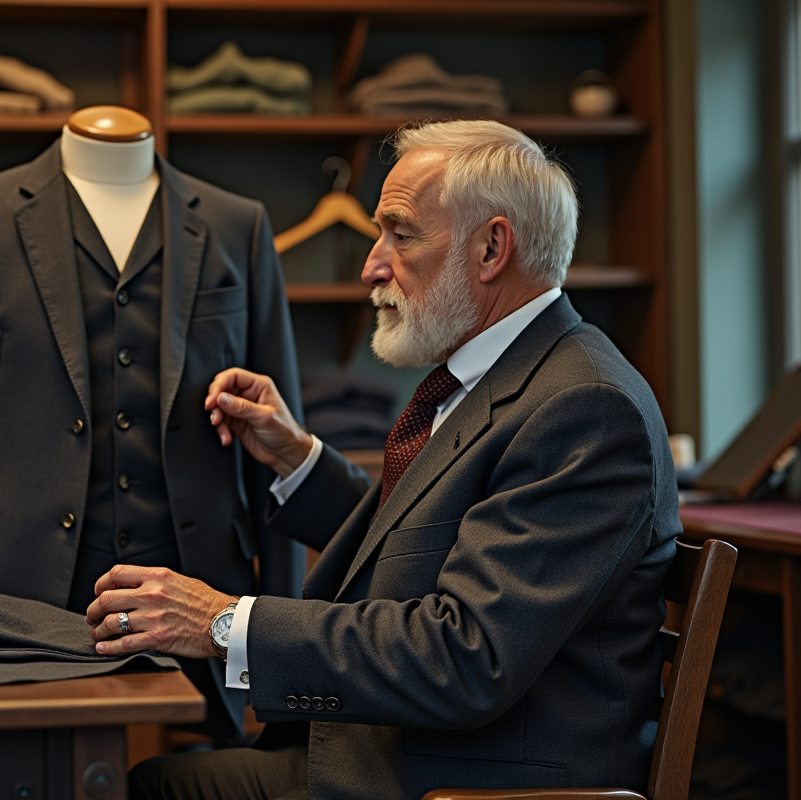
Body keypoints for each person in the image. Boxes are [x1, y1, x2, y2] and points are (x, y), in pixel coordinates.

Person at [85, 119, 682, 800]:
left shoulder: (587, 409)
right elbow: (429, 539)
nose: (370, 263)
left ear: (492, 248)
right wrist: (299, 459)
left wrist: (223, 622)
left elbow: (467, 658)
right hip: (419, 754)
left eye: (400, 234)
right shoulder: (511, 375)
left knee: (146, 785)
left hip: (470, 784)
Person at [0, 108, 304, 740]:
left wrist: (277, 641)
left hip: (203, 587)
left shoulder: (238, 224)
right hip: (4, 593)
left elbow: (276, 438)